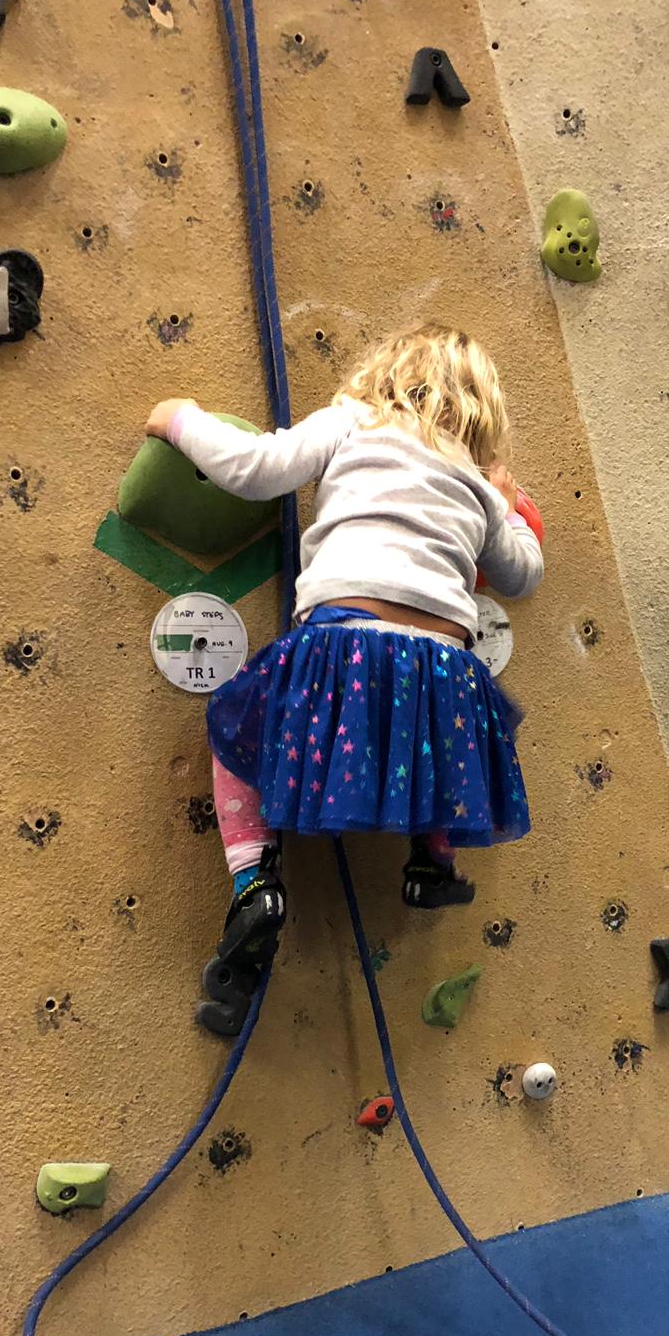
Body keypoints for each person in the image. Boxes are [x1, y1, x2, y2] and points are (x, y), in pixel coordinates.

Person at [144, 324, 544, 1036]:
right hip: (443, 666)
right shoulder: (478, 485)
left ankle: (255, 881)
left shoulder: (353, 421)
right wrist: (509, 506)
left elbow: (253, 467)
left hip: (343, 644)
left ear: (386, 373)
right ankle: (432, 859)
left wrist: (181, 418)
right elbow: (522, 576)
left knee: (237, 728)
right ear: (481, 410)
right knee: (434, 736)